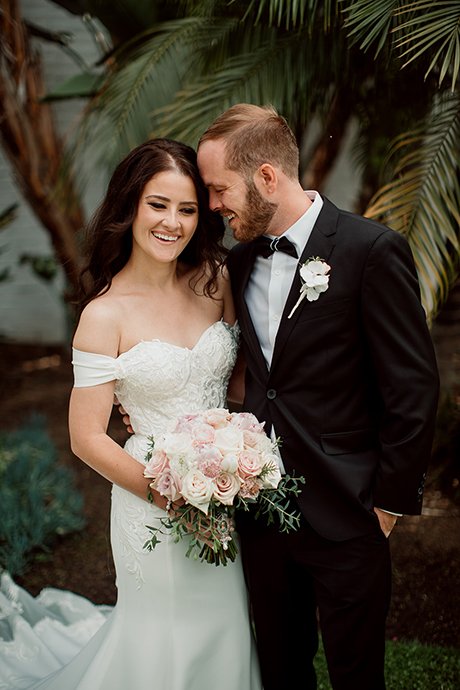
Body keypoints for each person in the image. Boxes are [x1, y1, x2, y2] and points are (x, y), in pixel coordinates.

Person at [0, 139, 261, 690]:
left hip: (224, 480)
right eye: (158, 205)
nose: (173, 223)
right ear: (130, 206)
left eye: (187, 209)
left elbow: (239, 382)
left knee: (226, 617)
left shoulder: (214, 279)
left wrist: (239, 453)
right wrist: (168, 492)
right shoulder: (103, 315)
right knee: (163, 633)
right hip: (151, 493)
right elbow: (86, 437)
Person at [195, 104, 440, 690]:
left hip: (350, 514)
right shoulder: (241, 258)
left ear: (267, 178)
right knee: (282, 670)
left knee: (357, 675)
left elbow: (412, 386)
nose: (213, 206)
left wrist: (386, 505)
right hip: (262, 512)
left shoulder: (371, 250)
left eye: (218, 188)